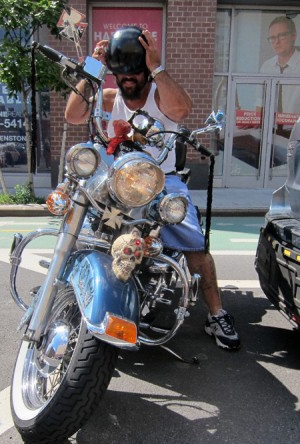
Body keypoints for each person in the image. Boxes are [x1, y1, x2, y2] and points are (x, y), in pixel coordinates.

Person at [65, 26, 240, 350]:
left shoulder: (161, 96)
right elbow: (73, 115)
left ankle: (217, 313)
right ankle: (71, 292)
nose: (128, 79)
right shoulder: (109, 97)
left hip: (162, 179)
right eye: (122, 74)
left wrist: (157, 65)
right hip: (118, 181)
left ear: (145, 70)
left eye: (135, 72)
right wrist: (92, 66)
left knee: (193, 241)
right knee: (85, 224)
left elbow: (183, 110)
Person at [260, 16, 300, 115]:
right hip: (270, 124)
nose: (277, 42)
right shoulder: (266, 66)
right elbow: (260, 104)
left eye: (281, 36)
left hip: (298, 124)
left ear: (293, 36)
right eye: (272, 38)